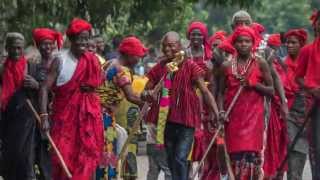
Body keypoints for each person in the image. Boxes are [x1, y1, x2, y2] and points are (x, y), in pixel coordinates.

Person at [144, 31, 219, 180]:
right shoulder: (160, 67)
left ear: (180, 46)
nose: (167, 50)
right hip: (166, 122)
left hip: (186, 120)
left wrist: (215, 113)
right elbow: (146, 89)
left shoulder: (190, 66)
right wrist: (147, 94)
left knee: (180, 158)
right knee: (171, 160)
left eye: (171, 46)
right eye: (164, 46)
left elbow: (204, 91)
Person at [39, 18, 104, 180]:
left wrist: (91, 89)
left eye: (86, 38)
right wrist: (44, 116)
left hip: (87, 122)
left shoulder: (92, 60)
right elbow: (44, 88)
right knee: (63, 162)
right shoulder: (60, 60)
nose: (84, 42)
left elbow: (97, 84)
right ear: (72, 38)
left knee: (86, 160)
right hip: (64, 122)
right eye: (80, 38)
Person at [217, 26, 274, 179]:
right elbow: (220, 93)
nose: (243, 44)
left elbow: (271, 90)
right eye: (240, 41)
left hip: (254, 120)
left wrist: (254, 84)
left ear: (253, 43)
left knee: (251, 158)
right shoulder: (226, 66)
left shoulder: (260, 63)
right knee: (234, 157)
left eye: (247, 41)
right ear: (234, 44)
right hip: (233, 119)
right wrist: (221, 112)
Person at [96, 36, 148, 180]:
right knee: (109, 151)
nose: (139, 59)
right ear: (130, 55)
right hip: (105, 117)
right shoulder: (122, 70)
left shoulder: (109, 63)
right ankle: (108, 177)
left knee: (103, 150)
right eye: (138, 55)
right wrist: (147, 104)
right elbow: (131, 96)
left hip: (96, 113)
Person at [0, 32, 40, 180]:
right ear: (7, 48)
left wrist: (36, 85)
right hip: (7, 119)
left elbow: (46, 90)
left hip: (28, 119)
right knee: (10, 158)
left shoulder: (31, 68)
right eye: (13, 48)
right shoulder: (2, 70)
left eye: (19, 48)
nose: (16, 51)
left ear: (23, 48)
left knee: (25, 159)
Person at [273, 28, 310, 180]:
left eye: (293, 42)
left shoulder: (310, 65)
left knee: (297, 159)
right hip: (282, 118)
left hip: (304, 117)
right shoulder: (280, 65)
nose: (289, 45)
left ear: (302, 44)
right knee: (280, 161)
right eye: (287, 42)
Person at [32, 27, 63, 180]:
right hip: (36, 114)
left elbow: (58, 90)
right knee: (40, 151)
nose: (48, 47)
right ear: (37, 45)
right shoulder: (33, 64)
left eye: (50, 43)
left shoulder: (58, 63)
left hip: (56, 113)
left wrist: (37, 86)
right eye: (44, 44)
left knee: (53, 150)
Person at [295, 9, 320, 180]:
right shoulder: (307, 51)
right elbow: (298, 77)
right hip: (315, 105)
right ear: (315, 25)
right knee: (317, 147)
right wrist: (312, 90)